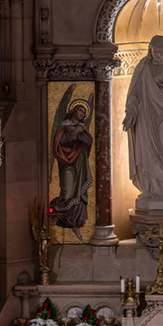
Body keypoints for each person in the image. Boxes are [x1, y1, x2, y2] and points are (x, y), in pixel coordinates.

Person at [123, 34, 163, 204]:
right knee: (147, 152)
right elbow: (134, 93)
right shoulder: (142, 68)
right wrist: (130, 113)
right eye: (155, 51)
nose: (158, 54)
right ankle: (150, 189)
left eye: (161, 51)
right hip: (147, 115)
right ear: (150, 50)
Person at [51, 102, 93, 241]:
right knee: (68, 192)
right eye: (80, 110)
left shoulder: (81, 127)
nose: (82, 114)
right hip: (66, 162)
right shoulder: (64, 125)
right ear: (74, 110)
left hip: (79, 163)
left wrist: (80, 132)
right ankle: (57, 215)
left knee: (79, 191)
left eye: (84, 113)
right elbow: (59, 142)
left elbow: (89, 140)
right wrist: (75, 131)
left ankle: (75, 223)